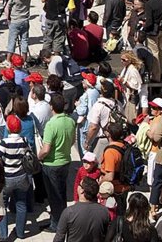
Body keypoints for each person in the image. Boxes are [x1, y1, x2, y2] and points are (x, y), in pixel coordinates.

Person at [40, 94, 75, 233]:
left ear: (51, 107)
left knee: (54, 196)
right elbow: (72, 141)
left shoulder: (51, 124)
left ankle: (57, 225)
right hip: (65, 161)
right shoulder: (70, 121)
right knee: (61, 193)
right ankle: (60, 220)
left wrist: (38, 157)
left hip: (51, 164)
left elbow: (46, 149)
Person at [54, 177, 111, 242]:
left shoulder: (69, 212)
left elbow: (59, 238)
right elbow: (108, 236)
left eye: (79, 184)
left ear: (82, 191)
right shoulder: (104, 212)